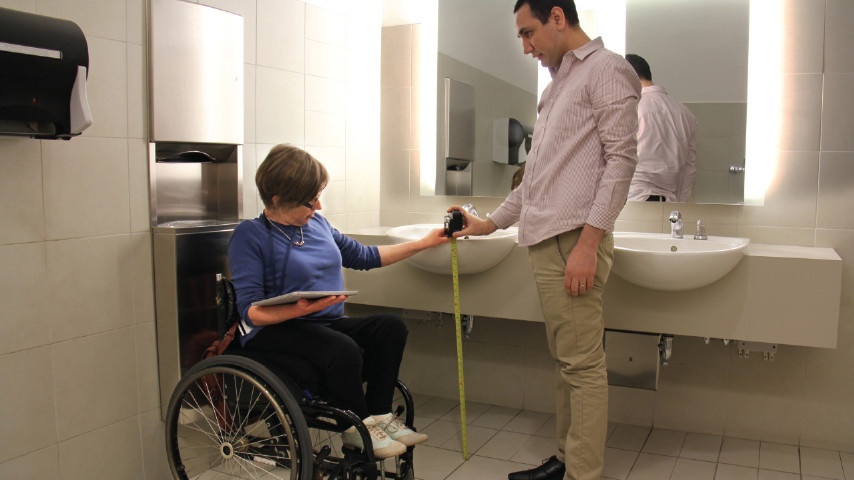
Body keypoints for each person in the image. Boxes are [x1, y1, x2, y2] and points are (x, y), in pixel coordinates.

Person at [451, 1, 640, 479]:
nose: (525, 46)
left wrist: (588, 243)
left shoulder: (607, 70)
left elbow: (621, 162)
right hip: (551, 240)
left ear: (558, 17)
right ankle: (564, 460)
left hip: (573, 240)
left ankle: (581, 474)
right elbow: (535, 181)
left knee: (582, 366)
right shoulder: (557, 87)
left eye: (528, 32)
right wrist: (488, 223)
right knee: (566, 363)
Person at [228, 144, 449, 459]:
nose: (318, 206)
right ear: (278, 200)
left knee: (391, 327)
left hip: (323, 322)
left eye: (319, 196)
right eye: (310, 199)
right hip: (277, 330)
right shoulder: (250, 235)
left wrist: (424, 243)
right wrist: (299, 309)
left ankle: (380, 416)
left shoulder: (317, 225)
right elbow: (250, 312)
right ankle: (357, 430)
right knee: (341, 349)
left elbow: (365, 256)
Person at [625, 53, 697, 203]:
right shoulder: (685, 113)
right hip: (670, 203)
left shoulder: (631, 109)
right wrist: (680, 204)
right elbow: (689, 168)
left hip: (633, 200)